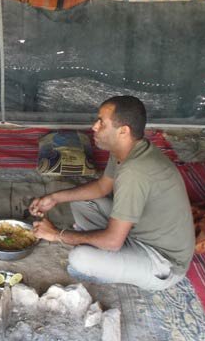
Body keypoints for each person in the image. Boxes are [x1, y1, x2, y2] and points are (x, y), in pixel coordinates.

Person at [29, 95, 194, 291]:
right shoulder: (127, 150)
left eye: (102, 123)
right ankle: (108, 254)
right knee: (82, 202)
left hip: (163, 262)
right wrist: (54, 198)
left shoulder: (135, 171)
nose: (94, 126)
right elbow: (101, 188)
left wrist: (57, 235)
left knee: (79, 258)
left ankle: (109, 263)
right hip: (136, 232)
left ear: (123, 131)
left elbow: (113, 242)